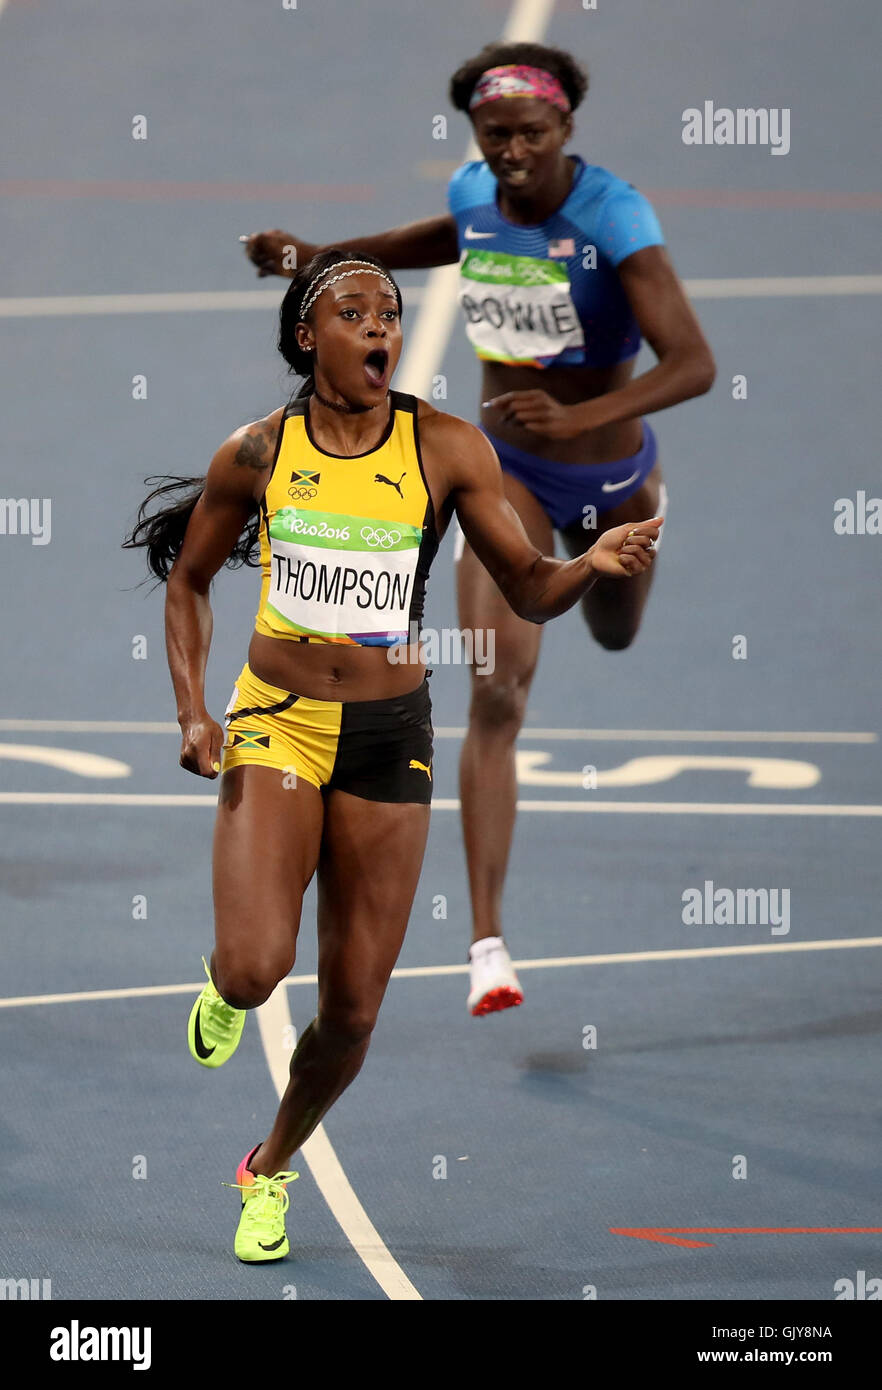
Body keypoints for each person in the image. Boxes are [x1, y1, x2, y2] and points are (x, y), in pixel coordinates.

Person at [124, 248, 662, 1262]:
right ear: (305, 337)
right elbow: (189, 580)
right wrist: (193, 712)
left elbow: (527, 588)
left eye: (393, 314)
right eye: (356, 311)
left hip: (387, 740)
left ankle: (268, 1167)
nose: (381, 327)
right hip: (278, 721)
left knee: (355, 1009)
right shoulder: (256, 452)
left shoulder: (448, 448)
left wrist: (588, 563)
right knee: (252, 969)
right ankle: (223, 987)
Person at [242, 41, 715, 1017]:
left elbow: (695, 362)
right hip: (513, 475)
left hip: (615, 474)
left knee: (617, 631)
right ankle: (487, 945)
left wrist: (577, 418)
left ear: (565, 130)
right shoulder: (474, 196)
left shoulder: (614, 217)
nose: (510, 151)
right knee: (496, 692)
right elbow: (430, 239)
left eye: (529, 134)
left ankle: (611, 560)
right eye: (493, 134)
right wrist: (310, 258)